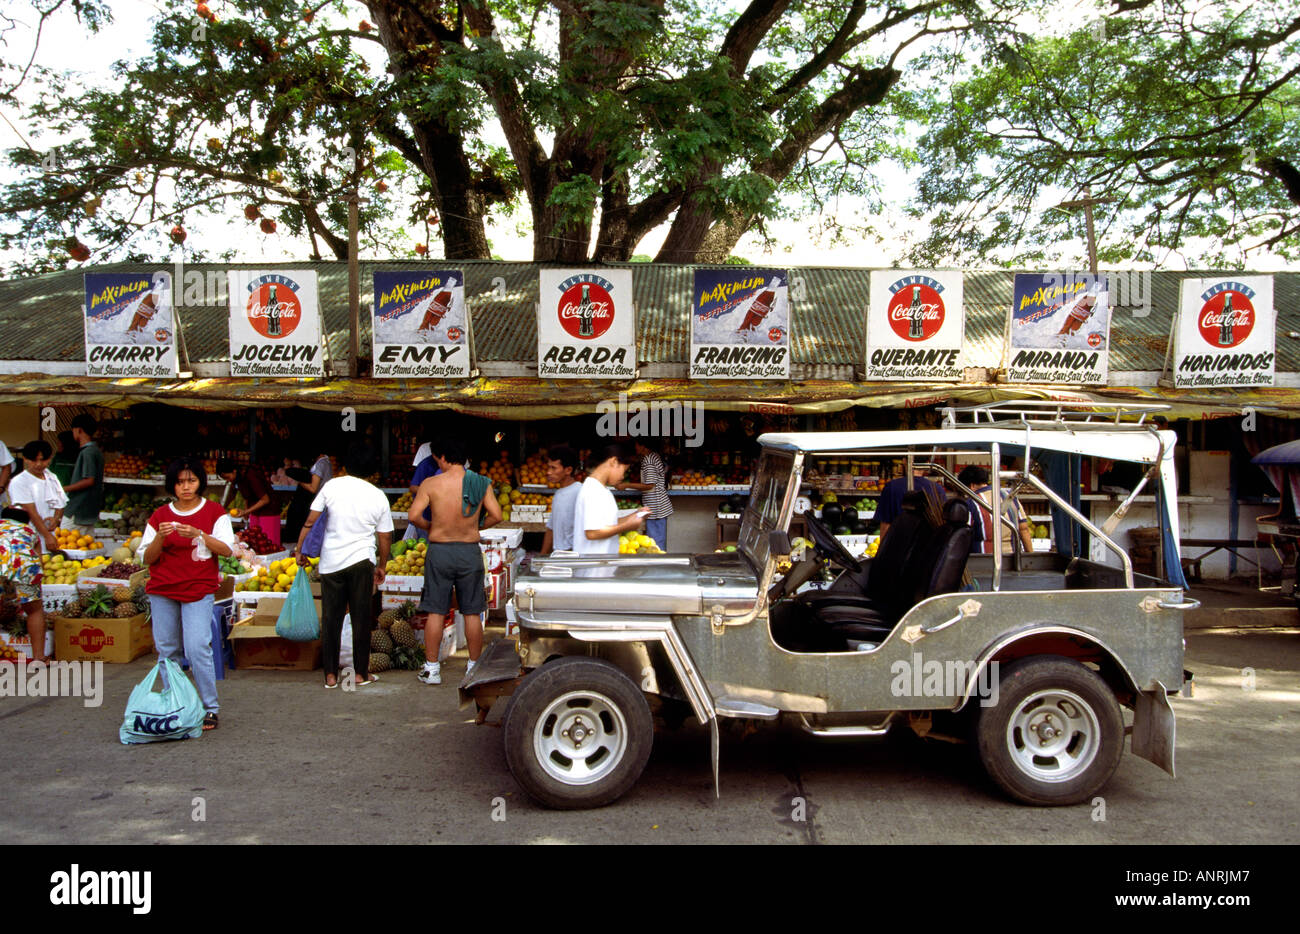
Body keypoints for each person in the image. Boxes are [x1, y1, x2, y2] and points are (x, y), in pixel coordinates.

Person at [140, 456, 236, 732]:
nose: (186, 487)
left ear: (200, 483)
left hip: (198, 589)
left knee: (197, 648)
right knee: (167, 650)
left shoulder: (215, 512)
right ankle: (176, 703)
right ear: (172, 485)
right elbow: (147, 558)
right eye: (180, 482)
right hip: (162, 590)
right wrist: (160, 536)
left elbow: (227, 550)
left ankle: (210, 708)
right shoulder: (160, 515)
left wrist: (199, 534)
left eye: (191, 481)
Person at [295, 448, 392, 689]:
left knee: (331, 618)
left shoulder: (331, 486)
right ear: (371, 472)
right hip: (362, 561)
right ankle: (360, 674)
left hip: (331, 563)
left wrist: (300, 549)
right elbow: (385, 536)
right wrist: (382, 565)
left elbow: (311, 520)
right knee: (361, 618)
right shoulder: (377, 495)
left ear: (346, 466)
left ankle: (330, 675)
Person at [408, 437, 502, 686]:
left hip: (440, 550)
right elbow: (497, 515)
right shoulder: (481, 482)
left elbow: (413, 515)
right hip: (469, 550)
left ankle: (432, 669)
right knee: (472, 610)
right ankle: (473, 667)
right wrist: (477, 525)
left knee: (436, 610)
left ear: (443, 458)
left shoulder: (431, 483)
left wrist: (432, 526)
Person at [574, 444, 646, 556]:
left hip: (603, 564)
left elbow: (608, 523)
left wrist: (635, 515)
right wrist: (627, 526)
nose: (623, 476)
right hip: (593, 568)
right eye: (624, 470)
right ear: (613, 462)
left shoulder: (602, 489)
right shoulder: (592, 490)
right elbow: (592, 532)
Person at [0, 519, 49, 662]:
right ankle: (39, 658)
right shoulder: (29, 530)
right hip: (24, 565)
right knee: (34, 611)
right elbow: (39, 561)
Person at [958, 464, 1033, 556]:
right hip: (1013, 558)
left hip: (983, 560)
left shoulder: (971, 503)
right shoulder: (1010, 496)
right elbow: (1024, 529)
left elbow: (963, 536)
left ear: (972, 485)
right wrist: (1030, 556)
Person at [616, 439, 673, 552]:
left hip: (655, 508)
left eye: (637, 445)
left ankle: (656, 567)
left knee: (655, 544)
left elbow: (649, 485)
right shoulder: (653, 456)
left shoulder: (649, 460)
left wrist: (626, 485)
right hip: (657, 506)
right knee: (656, 542)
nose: (636, 448)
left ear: (643, 446)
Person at [217, 457, 282, 549]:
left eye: (227, 477)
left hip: (268, 511)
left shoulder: (251, 475)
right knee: (255, 543)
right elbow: (244, 496)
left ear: (234, 471)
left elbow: (265, 499)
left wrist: (246, 512)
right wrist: (222, 508)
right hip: (255, 511)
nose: (227, 480)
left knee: (269, 545)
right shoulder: (238, 479)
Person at [875, 463, 946, 538]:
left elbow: (885, 527)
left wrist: (883, 548)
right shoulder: (937, 489)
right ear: (927, 463)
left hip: (900, 545)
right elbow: (942, 526)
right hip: (928, 545)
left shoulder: (891, 487)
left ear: (904, 461)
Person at [61, 414, 104, 534]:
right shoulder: (96, 451)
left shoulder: (88, 453)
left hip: (78, 508)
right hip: (89, 509)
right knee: (84, 546)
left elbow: (89, 480)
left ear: (79, 430)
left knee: (64, 543)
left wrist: (63, 488)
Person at [541, 445, 581, 555]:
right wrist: (542, 557)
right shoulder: (558, 494)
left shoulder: (580, 492)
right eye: (548, 467)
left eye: (553, 468)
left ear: (568, 470)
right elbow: (551, 529)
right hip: (558, 554)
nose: (548, 472)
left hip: (573, 555)